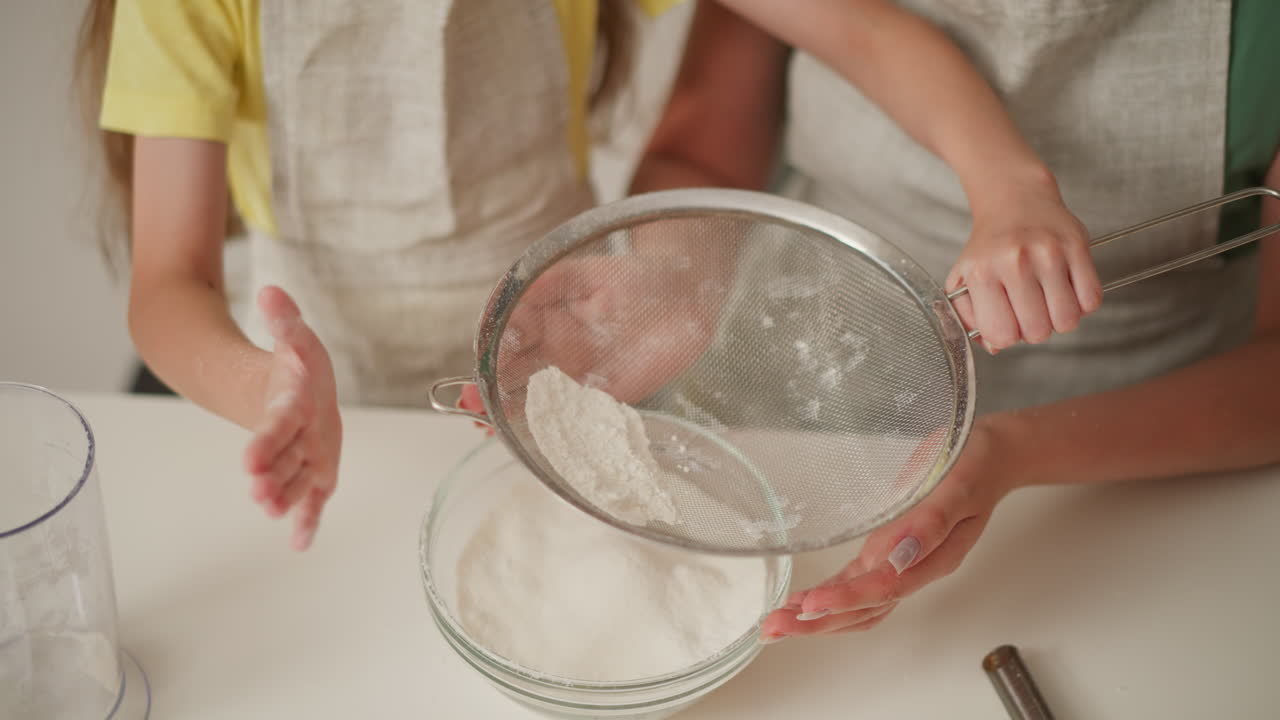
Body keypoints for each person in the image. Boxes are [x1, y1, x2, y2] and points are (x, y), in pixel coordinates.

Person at [78, 0, 1101, 552]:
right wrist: (267, 389)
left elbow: (863, 28)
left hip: (572, 371)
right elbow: (166, 286)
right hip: (330, 409)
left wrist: (1004, 182)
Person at [626, 1, 1280, 640]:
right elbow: (703, 152)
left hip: (1141, 460)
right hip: (779, 378)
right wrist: (673, 279)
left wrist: (1013, 451)